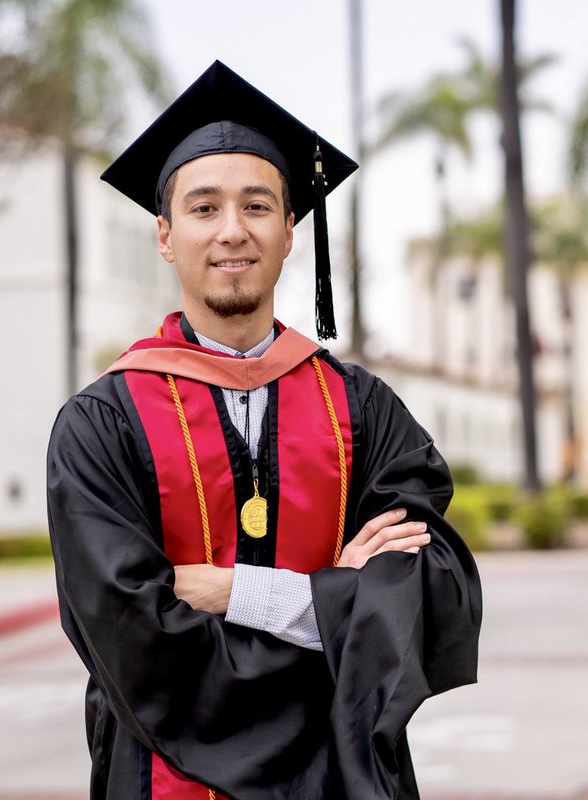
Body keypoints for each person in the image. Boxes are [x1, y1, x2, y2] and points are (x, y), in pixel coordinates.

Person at [46, 61, 482, 800]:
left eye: (257, 206)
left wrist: (237, 592)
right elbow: (130, 636)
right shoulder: (101, 425)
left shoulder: (363, 409)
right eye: (204, 208)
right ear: (164, 233)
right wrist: (336, 605)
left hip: (345, 775)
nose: (231, 232)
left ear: (289, 230)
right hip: (165, 771)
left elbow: (431, 588)